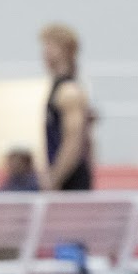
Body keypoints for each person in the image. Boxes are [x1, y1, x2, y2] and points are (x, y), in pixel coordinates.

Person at [39, 23, 95, 190]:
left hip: (70, 180)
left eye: (50, 46)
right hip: (63, 175)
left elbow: (74, 143)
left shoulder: (69, 92)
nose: (45, 53)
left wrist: (54, 178)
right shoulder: (57, 89)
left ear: (66, 50)